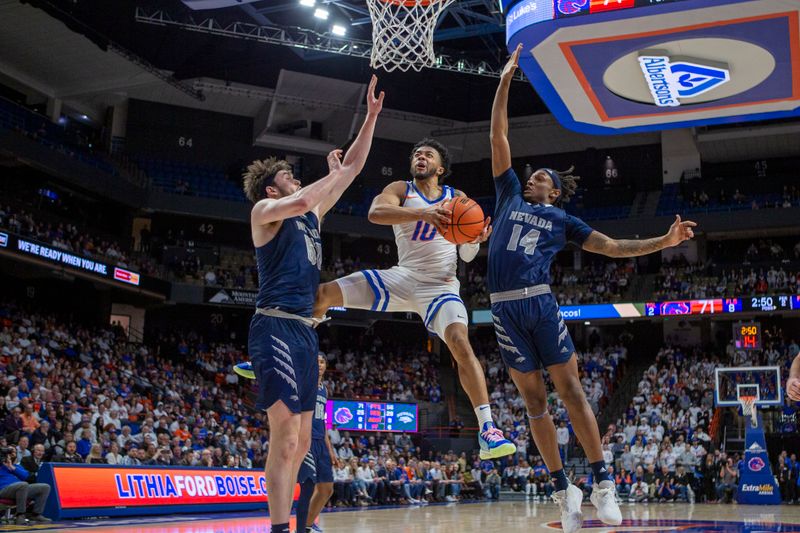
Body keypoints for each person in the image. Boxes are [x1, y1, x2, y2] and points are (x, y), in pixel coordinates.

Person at [490, 44, 696, 532]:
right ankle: (564, 491)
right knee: (534, 403)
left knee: (570, 389)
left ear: (554, 192)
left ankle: (603, 481)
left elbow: (613, 247)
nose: (533, 175)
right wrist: (503, 84)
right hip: (502, 310)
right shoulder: (506, 195)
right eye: (532, 173)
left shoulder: (562, 219)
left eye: (542, 176)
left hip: (538, 304)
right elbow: (498, 134)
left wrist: (664, 241)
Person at [310, 134, 515, 461]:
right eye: (417, 153)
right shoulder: (401, 189)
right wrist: (425, 214)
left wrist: (475, 238)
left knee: (460, 342)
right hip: (403, 277)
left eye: (428, 155)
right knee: (322, 294)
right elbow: (376, 212)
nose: (420, 157)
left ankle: (488, 429)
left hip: (441, 285)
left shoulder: (456, 197)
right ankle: (287, 353)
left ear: (440, 167)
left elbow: (468, 254)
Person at [241, 75, 383, 533]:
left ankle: (299, 527)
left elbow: (353, 170)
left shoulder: (310, 214)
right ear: (271, 189)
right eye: (286, 175)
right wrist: (330, 175)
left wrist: (370, 119)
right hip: (275, 327)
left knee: (301, 445)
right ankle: (280, 530)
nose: (295, 178)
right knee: (284, 441)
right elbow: (307, 195)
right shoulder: (265, 213)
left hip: (305, 331)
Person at [295, 355, 337, 533]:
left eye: (322, 362)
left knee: (327, 489)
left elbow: (323, 422)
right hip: (307, 440)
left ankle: (308, 525)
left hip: (321, 442)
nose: (319, 364)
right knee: (308, 488)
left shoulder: (325, 389)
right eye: (316, 361)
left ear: (326, 366)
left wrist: (331, 450)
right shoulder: (305, 383)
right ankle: (300, 530)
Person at [0, 447, 51, 525]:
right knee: (23, 484)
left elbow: (26, 476)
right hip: (4, 490)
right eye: (9, 453)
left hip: (21, 489)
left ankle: (35, 514)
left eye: (13, 453)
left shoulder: (16, 467)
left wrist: (11, 467)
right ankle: (20, 514)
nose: (11, 455)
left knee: (45, 487)